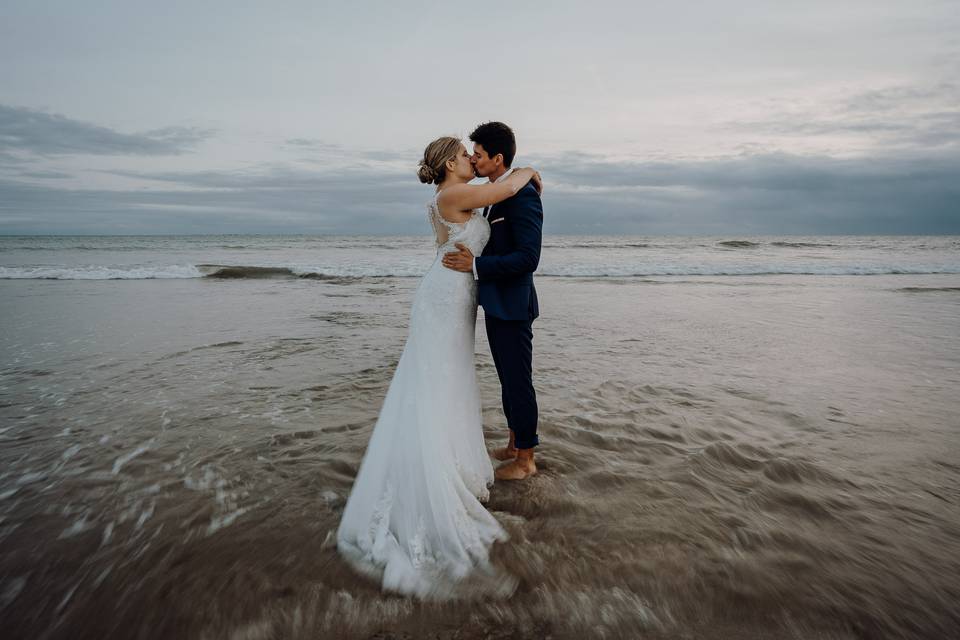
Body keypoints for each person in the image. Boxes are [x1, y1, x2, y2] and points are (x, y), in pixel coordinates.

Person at [336, 135, 541, 598]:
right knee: (436, 382)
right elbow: (504, 191)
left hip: (452, 295)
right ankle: (433, 470)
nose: (473, 159)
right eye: (467, 155)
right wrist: (528, 171)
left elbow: (470, 230)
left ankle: (449, 455)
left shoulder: (448, 198)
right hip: (446, 298)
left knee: (446, 382)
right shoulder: (453, 194)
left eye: (477, 153)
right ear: (451, 162)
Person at [442, 121, 543, 481]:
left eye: (479, 155)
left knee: (518, 381)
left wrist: (477, 265)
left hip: (514, 305)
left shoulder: (523, 195)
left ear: (497, 159)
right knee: (506, 378)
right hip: (496, 303)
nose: (473, 158)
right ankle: (515, 443)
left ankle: (526, 460)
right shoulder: (496, 193)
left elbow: (529, 257)